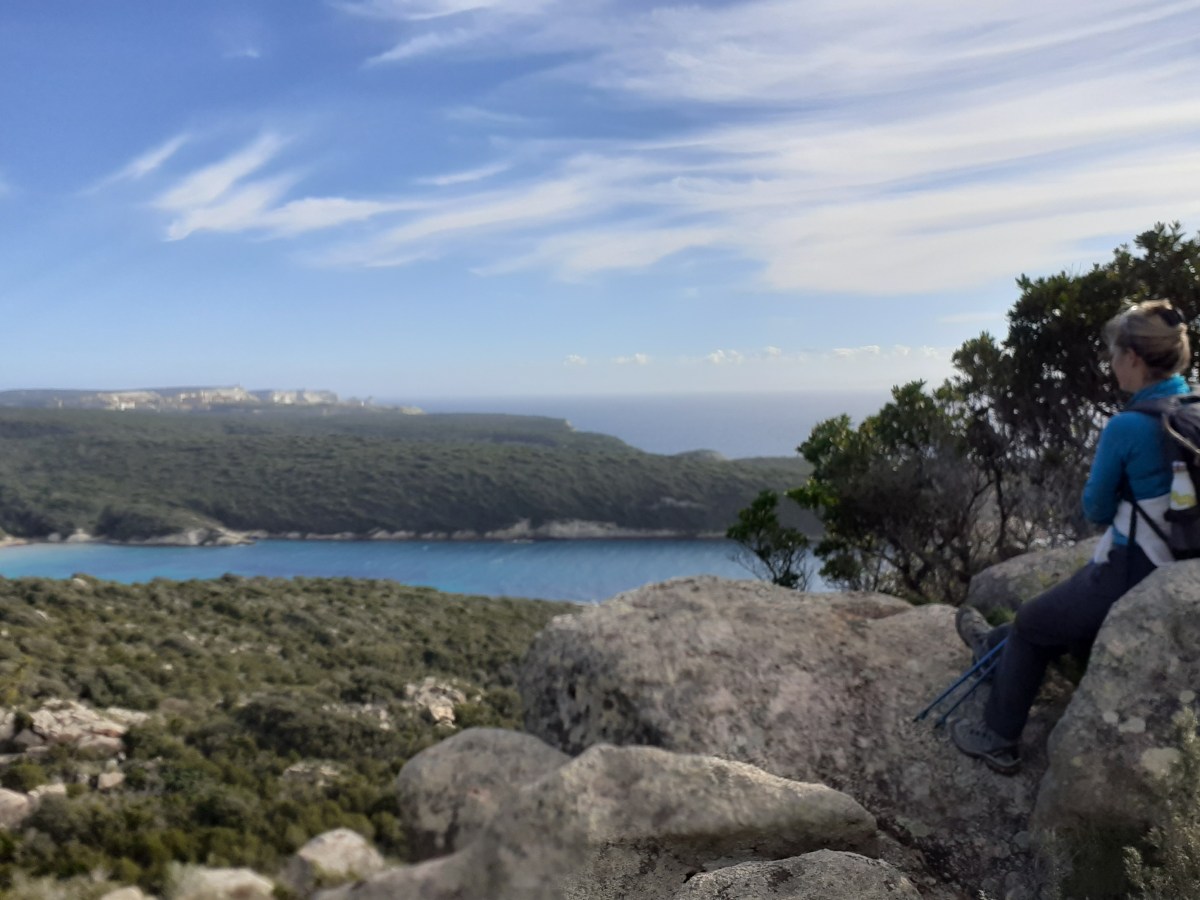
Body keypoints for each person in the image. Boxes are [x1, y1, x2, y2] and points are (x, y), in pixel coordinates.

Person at [951, 299, 1192, 774]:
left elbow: (1096, 509)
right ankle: (990, 647)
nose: (1111, 363)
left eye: (1114, 354)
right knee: (1056, 607)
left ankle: (997, 738)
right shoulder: (1192, 407)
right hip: (1180, 559)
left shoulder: (1128, 426)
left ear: (1134, 359)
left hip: (1135, 566)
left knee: (1034, 623)